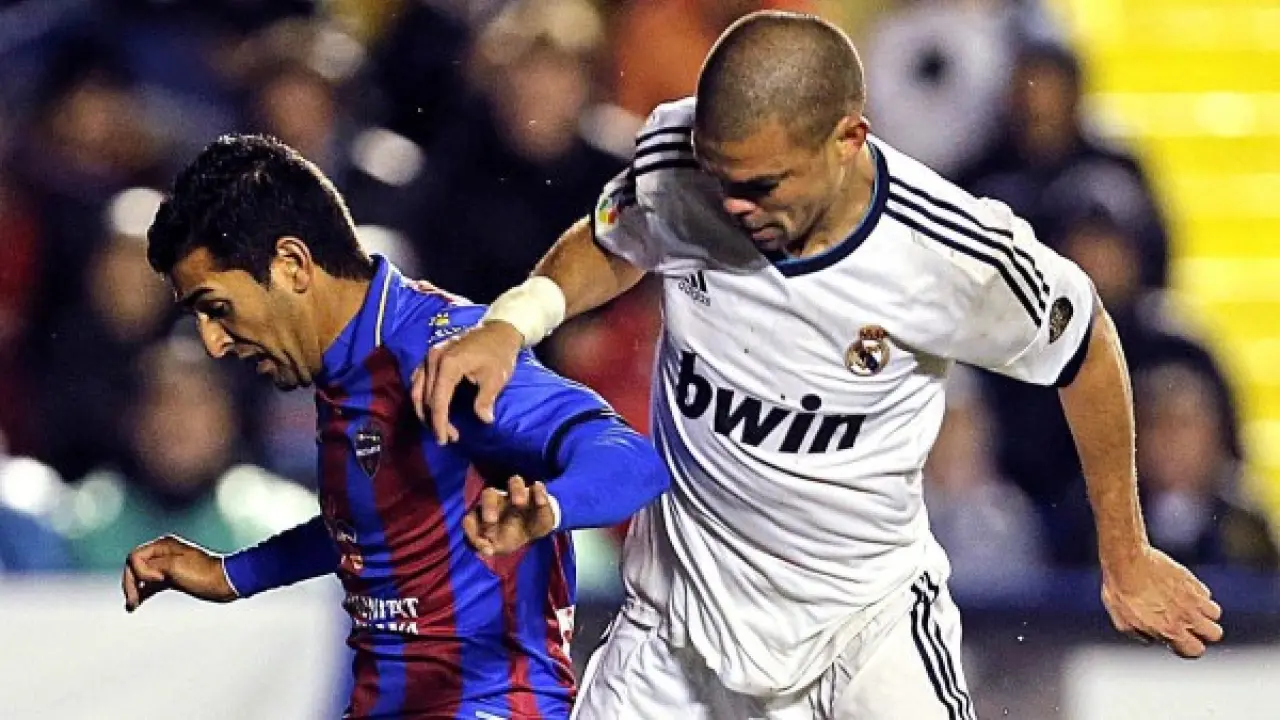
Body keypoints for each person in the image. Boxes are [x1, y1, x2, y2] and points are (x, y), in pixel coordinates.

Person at [416, 11, 1223, 719]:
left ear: (847, 140)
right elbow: (620, 237)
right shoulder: (683, 161)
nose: (733, 205)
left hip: (861, 631)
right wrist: (514, 321)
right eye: (721, 180)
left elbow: (1085, 346)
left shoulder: (952, 253)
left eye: (762, 184)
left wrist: (1125, 552)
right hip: (676, 628)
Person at [121, 134, 670, 719]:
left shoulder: (445, 352)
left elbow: (631, 459)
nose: (213, 343)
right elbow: (374, 522)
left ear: (292, 265)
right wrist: (231, 574)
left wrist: (548, 509)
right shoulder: (346, 362)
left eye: (217, 308)